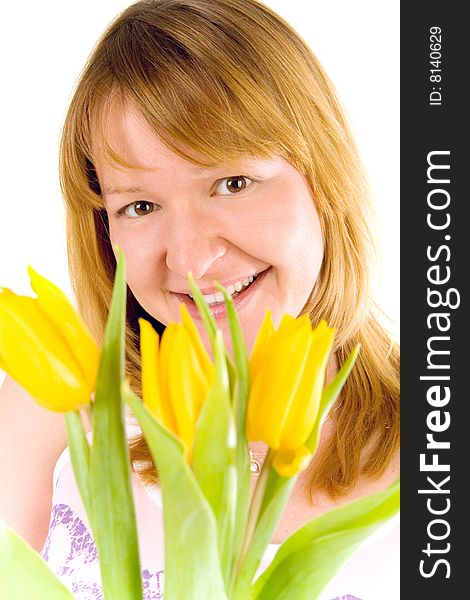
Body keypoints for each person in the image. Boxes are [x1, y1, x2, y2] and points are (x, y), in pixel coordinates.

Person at [0, 1, 400, 598]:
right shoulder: (56, 413)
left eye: (232, 184)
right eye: (139, 205)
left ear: (325, 179)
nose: (188, 260)